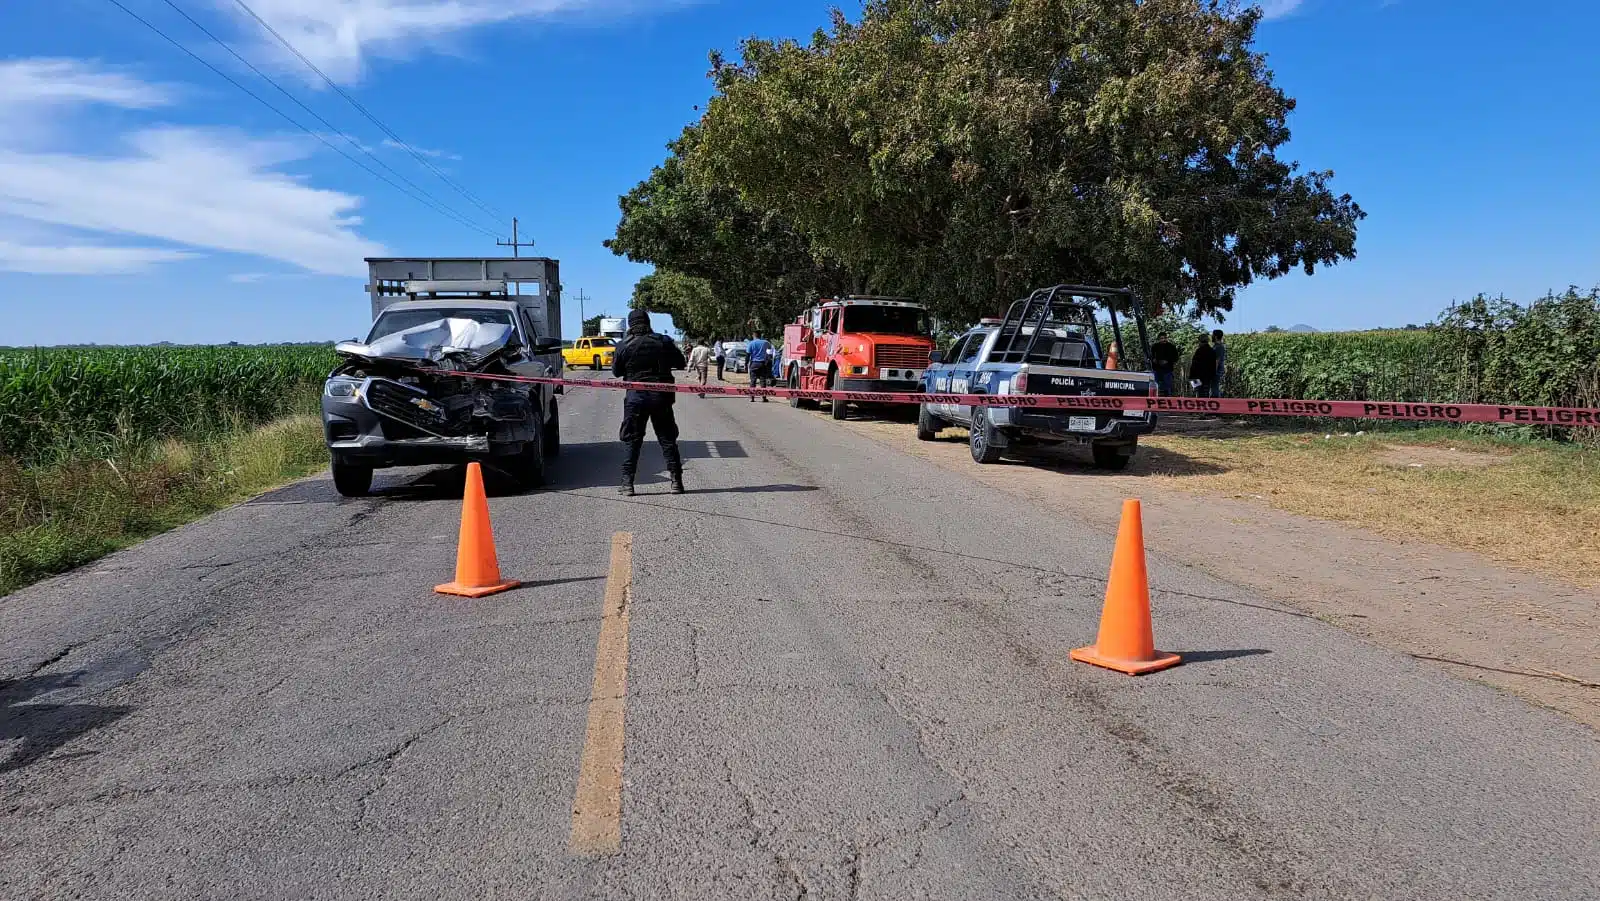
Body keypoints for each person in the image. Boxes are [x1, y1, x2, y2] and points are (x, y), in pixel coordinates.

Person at [612, 309, 687, 496]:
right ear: (648, 322)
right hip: (661, 396)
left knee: (632, 441)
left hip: (636, 398)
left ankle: (627, 484)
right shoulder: (663, 341)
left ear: (631, 325)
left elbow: (616, 371)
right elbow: (681, 362)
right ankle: (676, 482)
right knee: (668, 440)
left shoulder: (624, 345)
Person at [745, 333, 773, 402]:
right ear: (760, 336)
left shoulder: (751, 343)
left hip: (754, 364)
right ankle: (764, 398)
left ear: (753, 336)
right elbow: (770, 350)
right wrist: (768, 357)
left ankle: (752, 397)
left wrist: (746, 364)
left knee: (753, 381)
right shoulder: (765, 342)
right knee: (763, 381)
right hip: (762, 364)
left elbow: (748, 355)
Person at [1189, 333, 1216, 398]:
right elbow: (1213, 365)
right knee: (1205, 393)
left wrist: (1191, 377)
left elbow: (1194, 365)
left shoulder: (1199, 350)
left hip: (1196, 376)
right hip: (1207, 377)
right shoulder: (1212, 351)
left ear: (1200, 341)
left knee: (1197, 392)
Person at [1210, 329, 1227, 398]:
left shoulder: (1218, 347)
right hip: (1215, 370)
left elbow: (1217, 360)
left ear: (1216, 336)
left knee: (1215, 389)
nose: (1211, 336)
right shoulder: (1216, 346)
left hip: (1216, 371)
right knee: (1213, 388)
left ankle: (1215, 402)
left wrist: (1213, 371)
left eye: (1213, 335)